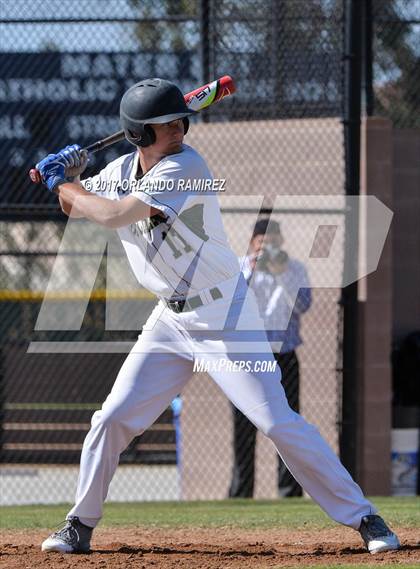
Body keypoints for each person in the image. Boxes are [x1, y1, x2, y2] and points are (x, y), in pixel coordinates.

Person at [36, 78, 399, 555]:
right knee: (112, 418)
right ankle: (78, 524)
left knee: (276, 423)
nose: (180, 128)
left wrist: (64, 180)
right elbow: (75, 206)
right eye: (165, 124)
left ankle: (365, 517)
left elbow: (114, 215)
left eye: (179, 120)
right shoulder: (122, 168)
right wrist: (71, 176)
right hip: (169, 320)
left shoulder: (187, 166)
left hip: (224, 312)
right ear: (139, 135)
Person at [229, 218, 311, 498]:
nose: (269, 248)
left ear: (282, 243)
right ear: (253, 244)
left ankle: (289, 492)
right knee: (243, 426)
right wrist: (253, 270)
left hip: (284, 354)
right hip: (248, 354)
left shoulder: (294, 269)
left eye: (274, 242)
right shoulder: (240, 267)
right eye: (263, 242)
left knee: (287, 423)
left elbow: (303, 305)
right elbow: (230, 304)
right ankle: (240, 493)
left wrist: (281, 275)